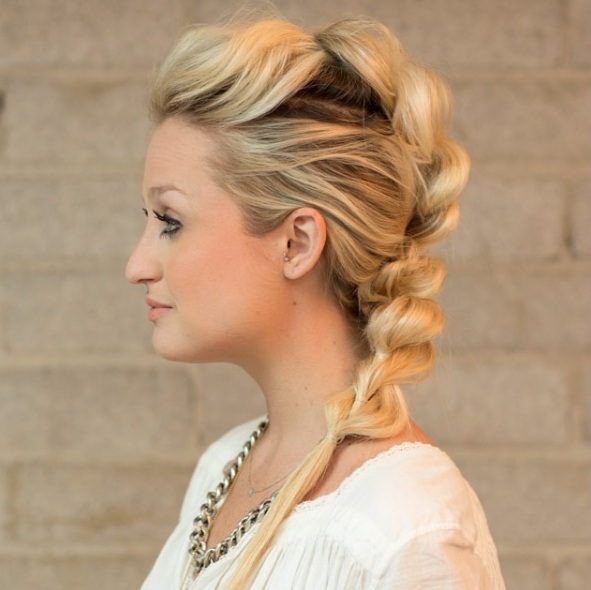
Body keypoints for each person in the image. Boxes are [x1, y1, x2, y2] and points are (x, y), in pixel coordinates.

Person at [126, 15, 505, 590]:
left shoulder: (405, 528)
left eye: (170, 221)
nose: (137, 266)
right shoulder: (223, 468)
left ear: (296, 243)